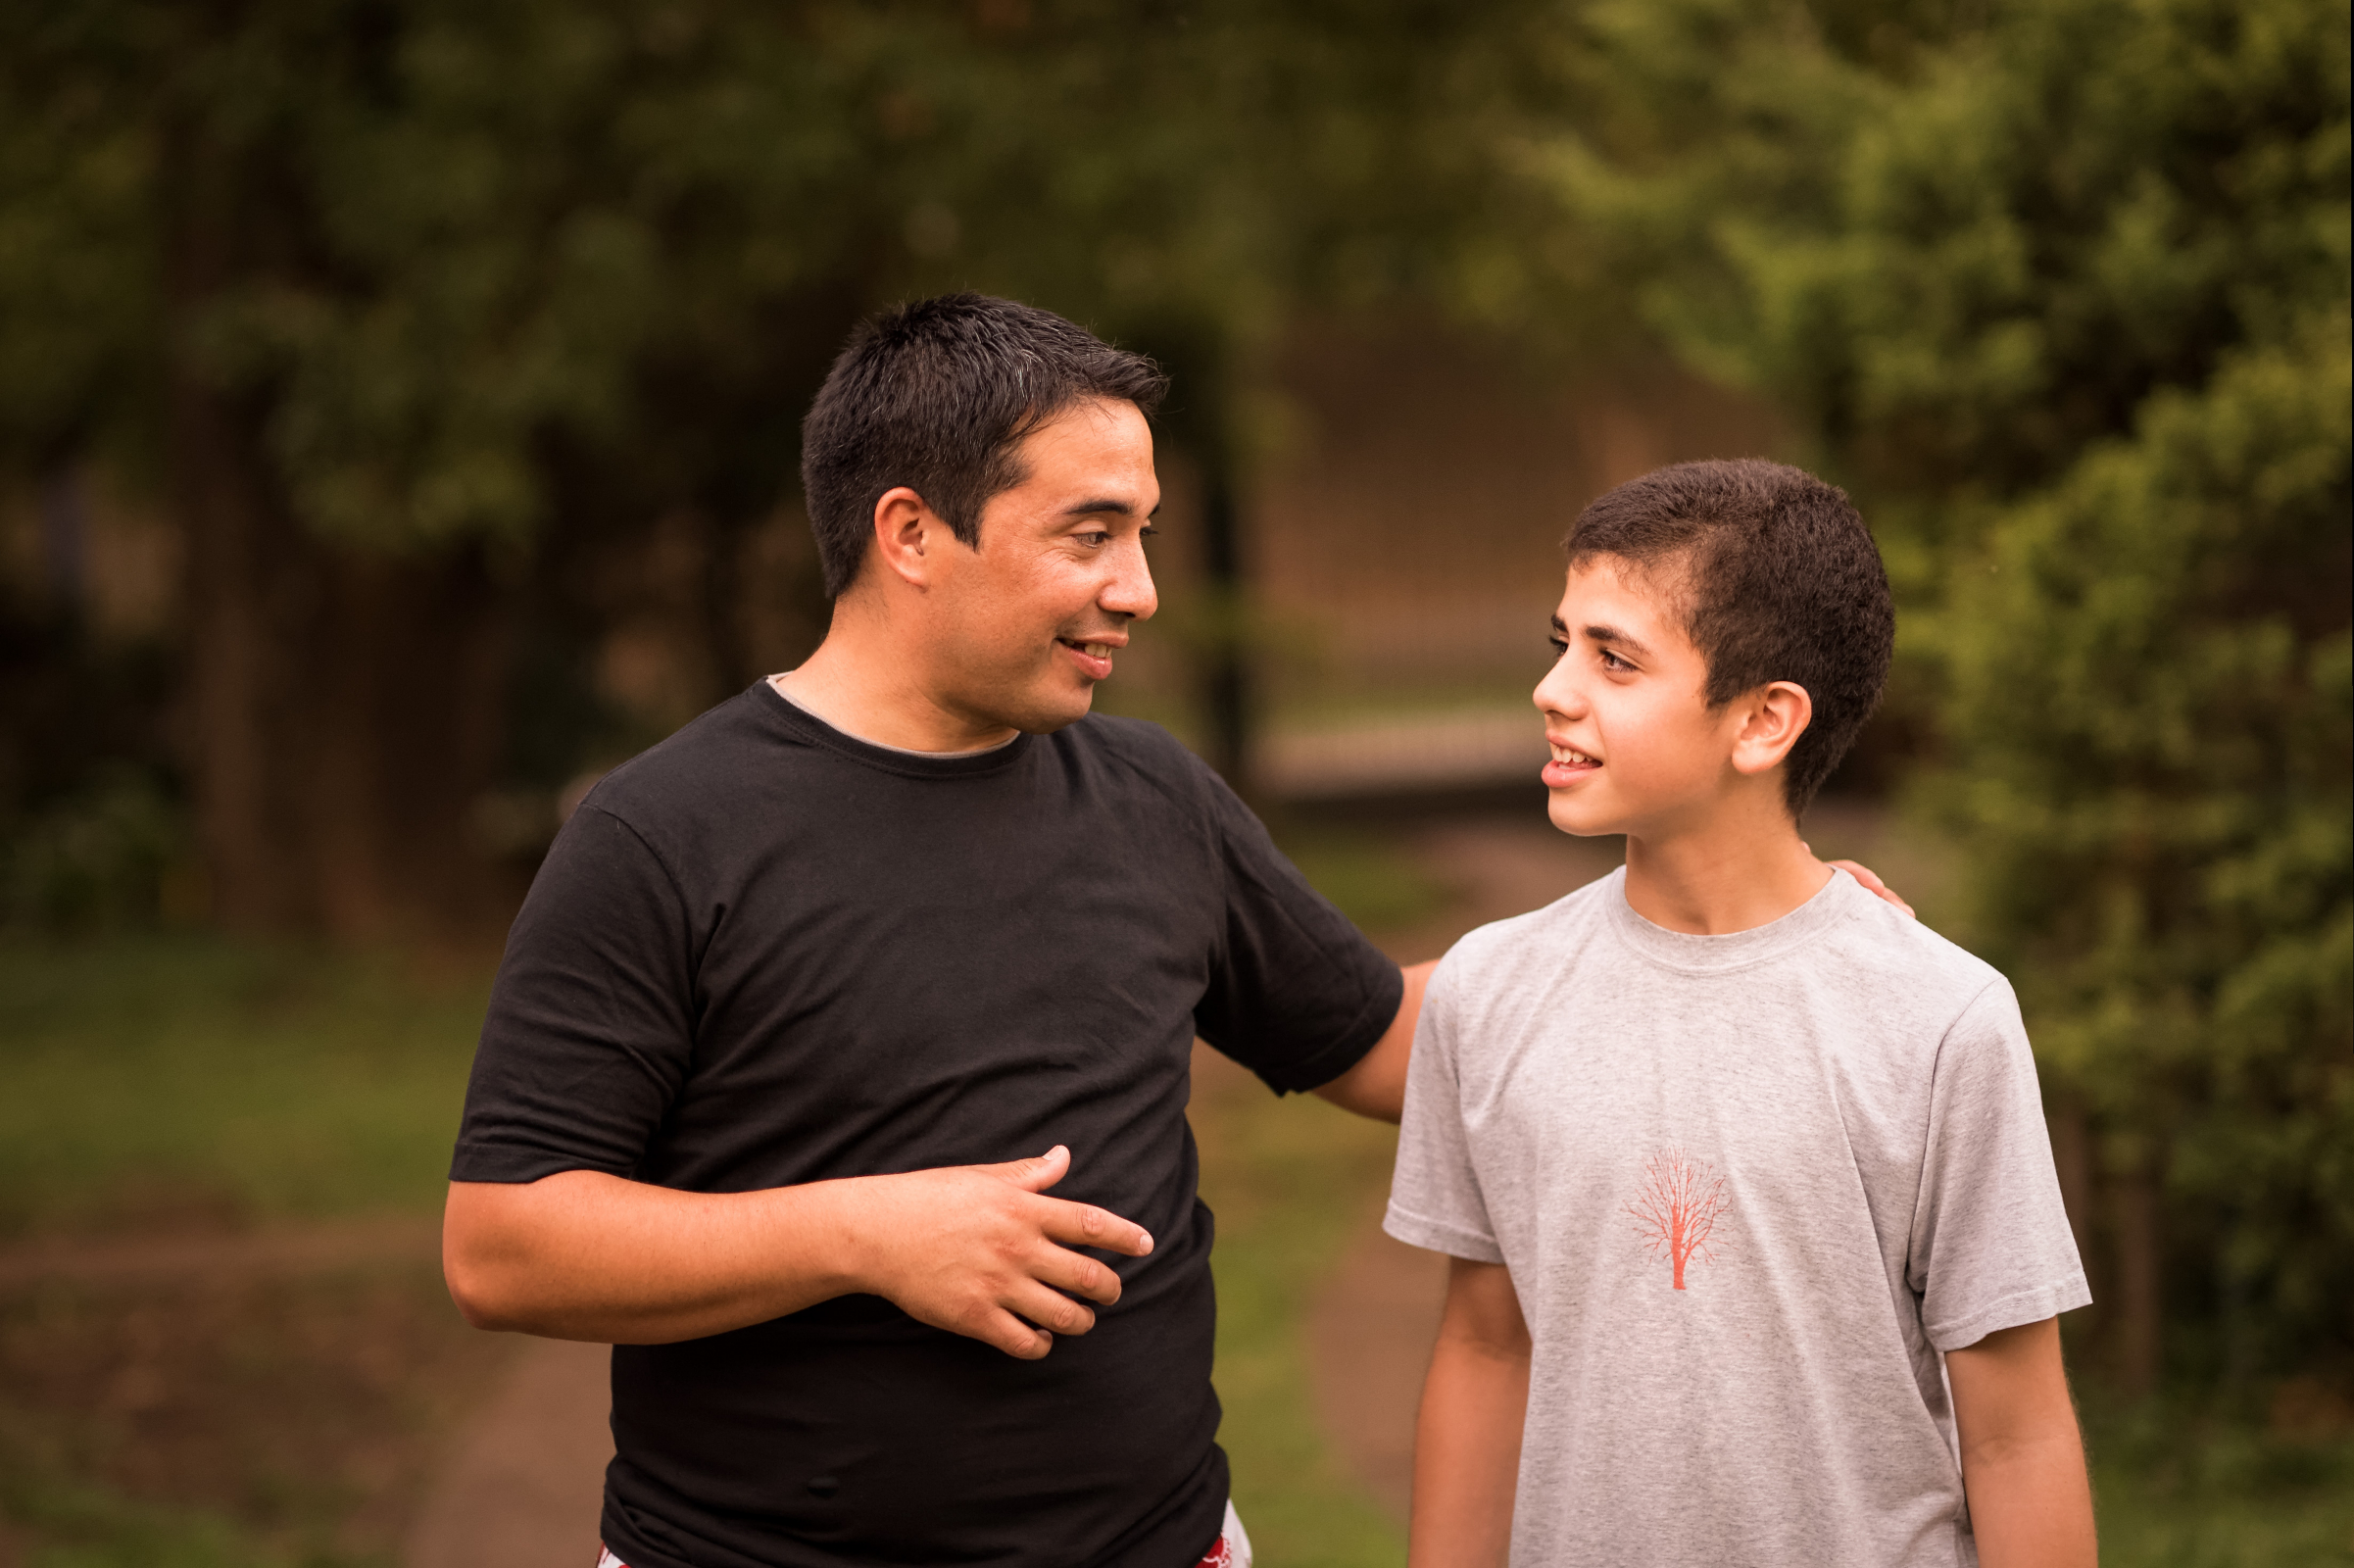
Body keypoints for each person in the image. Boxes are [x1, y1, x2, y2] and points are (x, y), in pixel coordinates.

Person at [442, 297, 1902, 1567]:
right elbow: (503, 1249)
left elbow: (1405, 1041)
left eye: (1140, 533)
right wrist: (866, 1233)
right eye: (1090, 535)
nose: (1137, 588)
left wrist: (1751, 942)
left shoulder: (1145, 797)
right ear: (909, 534)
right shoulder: (658, 835)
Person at [1387, 460, 2097, 1567]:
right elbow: (1484, 1348)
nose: (1555, 688)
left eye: (1613, 658)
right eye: (1560, 642)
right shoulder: (1484, 990)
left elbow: (2015, 1434)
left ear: (1762, 721)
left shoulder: (1942, 1017)